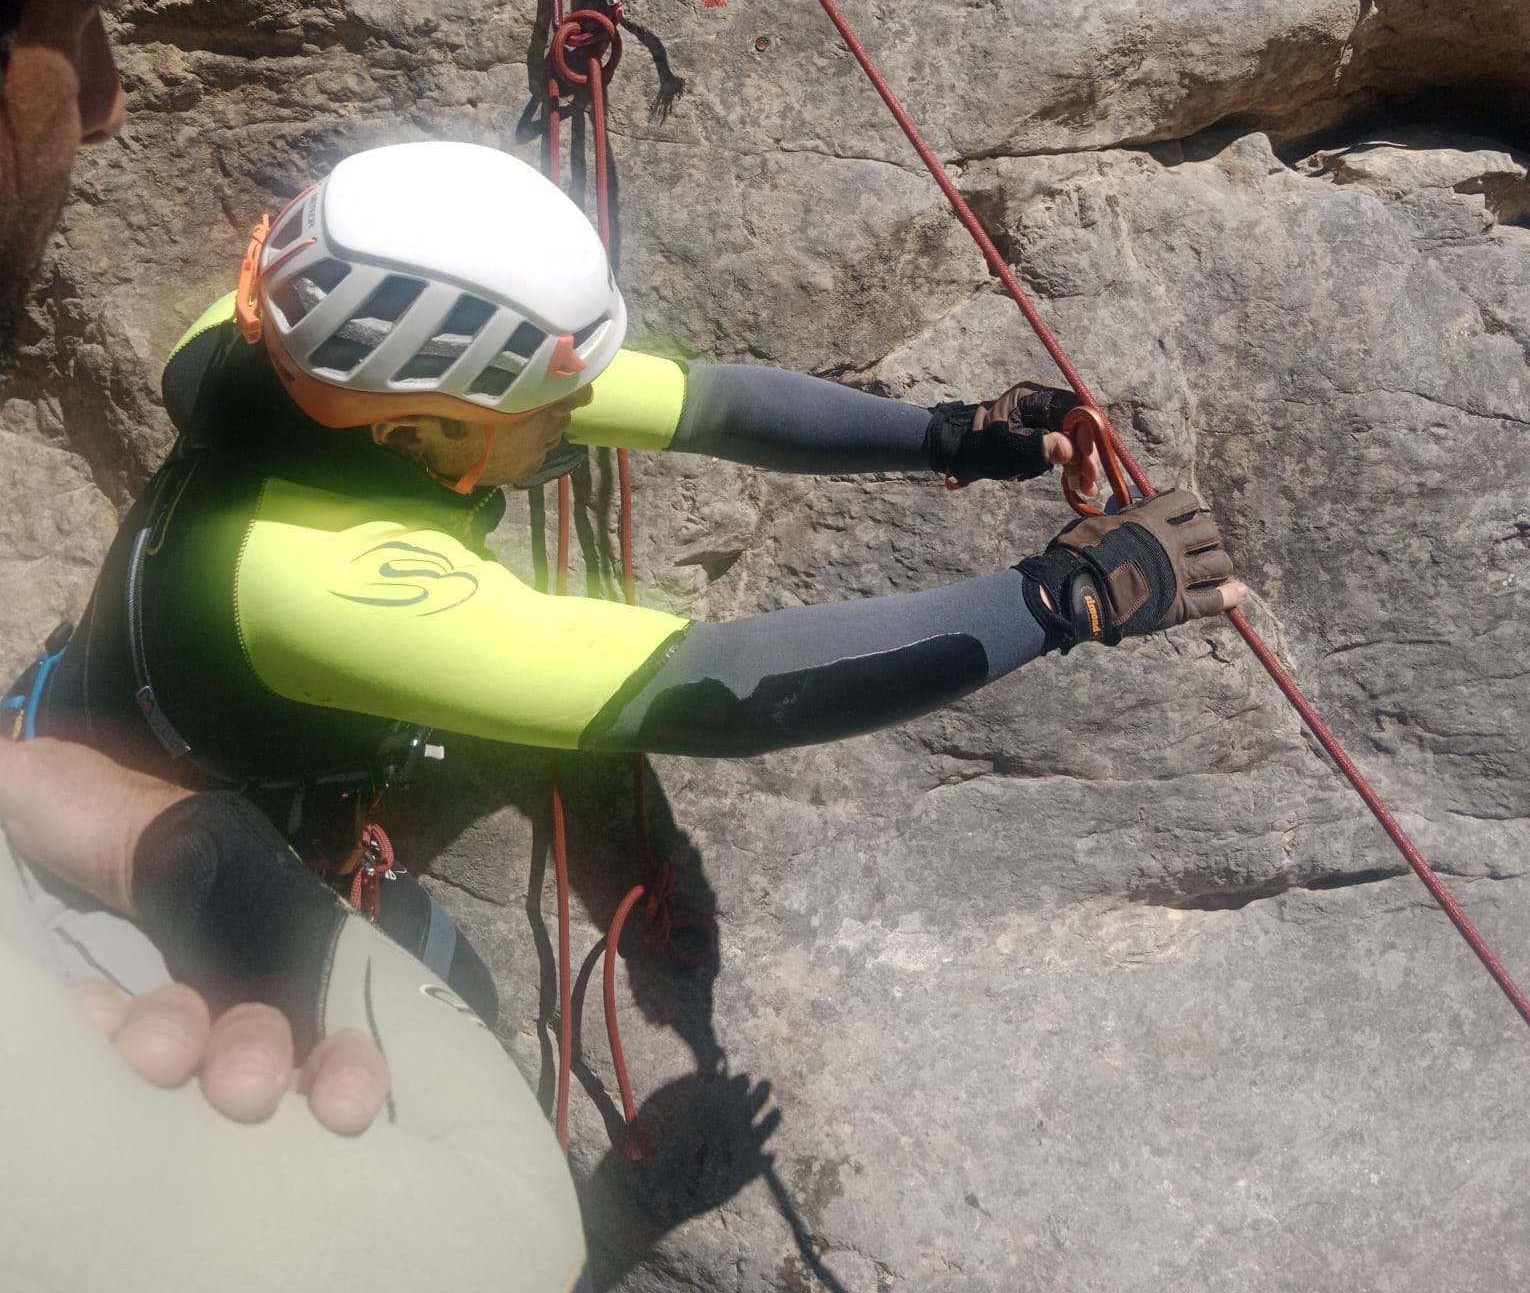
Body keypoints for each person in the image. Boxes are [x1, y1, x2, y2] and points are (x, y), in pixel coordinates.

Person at [0, 0, 590, 1292]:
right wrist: (1047, 594)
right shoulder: (300, 564)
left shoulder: (221, 381)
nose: (111, 92)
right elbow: (658, 685)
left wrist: (104, 825)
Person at [37, 136, 1245, 1023]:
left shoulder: (284, 343)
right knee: (460, 1012)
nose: (581, 418)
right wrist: (1056, 600)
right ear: (419, 431)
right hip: (151, 861)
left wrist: (950, 434)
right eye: (549, 406)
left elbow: (705, 400)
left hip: (86, 721)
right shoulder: (325, 581)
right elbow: (715, 690)